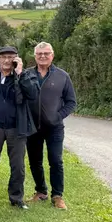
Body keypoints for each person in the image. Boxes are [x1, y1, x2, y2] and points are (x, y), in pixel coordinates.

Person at [0, 46, 39, 210]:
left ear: (16, 59)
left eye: (10, 57)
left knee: (17, 165)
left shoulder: (25, 75)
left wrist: (20, 74)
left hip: (16, 127)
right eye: (3, 57)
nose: (6, 60)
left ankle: (16, 198)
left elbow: (33, 94)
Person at [25, 42, 77, 209]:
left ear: (52, 55)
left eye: (46, 53)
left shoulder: (62, 76)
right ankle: (41, 192)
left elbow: (71, 102)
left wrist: (58, 116)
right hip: (32, 127)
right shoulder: (26, 75)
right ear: (35, 56)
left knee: (55, 160)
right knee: (35, 161)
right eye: (39, 53)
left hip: (54, 128)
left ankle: (57, 196)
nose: (43, 56)